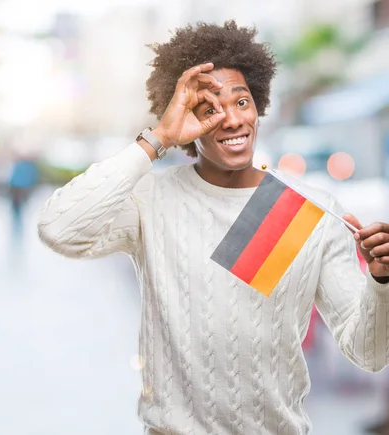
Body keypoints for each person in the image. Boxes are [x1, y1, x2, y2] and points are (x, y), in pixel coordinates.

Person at [37, 20, 389, 434]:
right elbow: (58, 228)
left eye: (242, 102)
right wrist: (157, 139)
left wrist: (381, 282)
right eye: (209, 109)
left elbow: (369, 352)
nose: (231, 119)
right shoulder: (152, 199)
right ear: (187, 120)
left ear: (258, 105)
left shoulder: (306, 209)